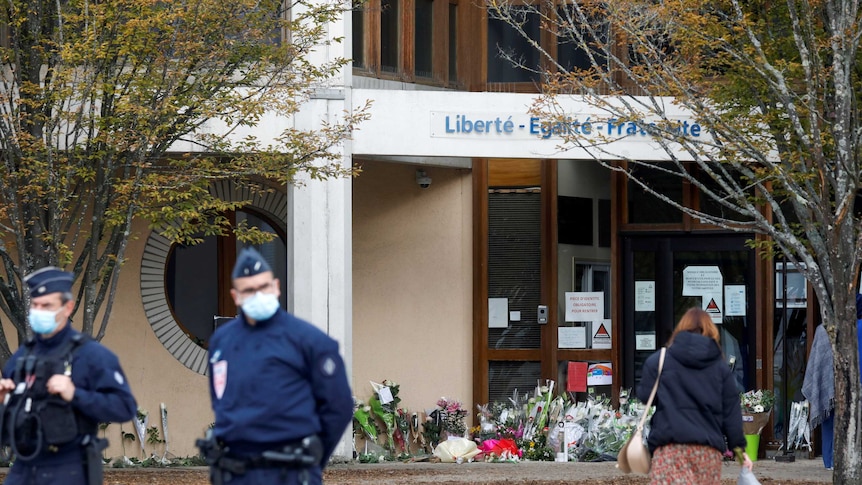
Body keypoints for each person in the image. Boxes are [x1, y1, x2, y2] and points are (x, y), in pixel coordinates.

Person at [200, 247, 354, 485]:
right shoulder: (223, 341)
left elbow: (339, 406)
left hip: (291, 473)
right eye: (249, 290)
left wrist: (312, 459)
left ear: (276, 287)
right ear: (236, 296)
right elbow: (220, 399)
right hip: (235, 473)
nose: (258, 294)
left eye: (263, 287)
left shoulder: (309, 340)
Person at [0, 266, 137, 485]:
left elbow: (124, 407)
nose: (39, 311)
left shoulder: (91, 355)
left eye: (47, 306)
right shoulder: (21, 358)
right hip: (23, 469)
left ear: (68, 307)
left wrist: (75, 394)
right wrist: (3, 402)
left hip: (68, 469)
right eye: (35, 305)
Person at [637, 307, 753, 484]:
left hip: (670, 449)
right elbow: (731, 414)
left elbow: (645, 396)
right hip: (707, 452)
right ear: (711, 332)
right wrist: (740, 452)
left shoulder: (659, 361)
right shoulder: (720, 368)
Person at [801, 292, 862, 470]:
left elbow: (818, 365)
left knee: (829, 421)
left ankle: (830, 461)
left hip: (830, 388)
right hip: (857, 386)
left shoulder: (825, 328)